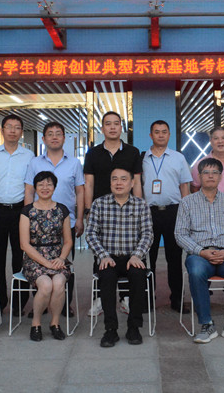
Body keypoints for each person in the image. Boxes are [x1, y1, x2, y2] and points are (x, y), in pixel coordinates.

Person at [176, 158, 224, 344]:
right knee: (196, 272)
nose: (210, 176)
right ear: (199, 176)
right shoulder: (187, 203)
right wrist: (201, 251)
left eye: (215, 173)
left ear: (220, 176)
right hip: (199, 255)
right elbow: (180, 234)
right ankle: (206, 325)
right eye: (206, 173)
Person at [85, 167, 153, 347]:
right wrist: (103, 256)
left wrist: (137, 255)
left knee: (138, 277)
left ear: (132, 183)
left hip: (133, 258)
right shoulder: (99, 204)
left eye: (123, 179)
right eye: (114, 179)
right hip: (109, 258)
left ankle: (134, 327)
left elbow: (147, 234)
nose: (119, 183)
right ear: (110, 183)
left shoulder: (141, 205)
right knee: (106, 278)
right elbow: (91, 234)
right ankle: (110, 329)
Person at [83, 111, 142, 316]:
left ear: (121, 127)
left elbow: (137, 182)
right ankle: (100, 298)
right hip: (102, 211)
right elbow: (89, 183)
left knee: (129, 252)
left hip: (128, 209)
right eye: (108, 124)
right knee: (100, 255)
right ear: (102, 128)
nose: (112, 127)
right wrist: (88, 210)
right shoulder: (93, 153)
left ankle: (126, 298)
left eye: (116, 123)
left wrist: (139, 207)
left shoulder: (132, 152)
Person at [24, 121, 84, 318]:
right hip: (38, 223)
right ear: (43, 139)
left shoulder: (74, 163)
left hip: (67, 221)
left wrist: (80, 218)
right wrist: (27, 216)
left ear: (64, 138)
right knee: (37, 264)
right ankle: (40, 304)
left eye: (58, 133)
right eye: (50, 134)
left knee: (64, 263)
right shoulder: (35, 162)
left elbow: (80, 191)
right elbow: (29, 190)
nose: (55, 137)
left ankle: (65, 304)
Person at [0, 114, 34, 316]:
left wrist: (28, 214)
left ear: (21, 132)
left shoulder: (29, 156)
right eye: (9, 127)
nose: (12, 130)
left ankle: (19, 303)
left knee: (20, 257)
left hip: (20, 210)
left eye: (17, 127)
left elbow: (30, 186)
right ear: (1, 130)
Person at [142, 120, 192, 314]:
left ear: (169, 135)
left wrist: (186, 214)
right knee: (148, 258)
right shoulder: (142, 158)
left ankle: (177, 299)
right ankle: (148, 298)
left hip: (174, 212)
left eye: (164, 132)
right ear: (150, 135)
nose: (161, 135)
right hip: (148, 213)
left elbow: (185, 187)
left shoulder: (178, 158)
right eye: (157, 132)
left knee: (174, 257)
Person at [20, 171, 73, 341]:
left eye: (49, 184)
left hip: (57, 257)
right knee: (45, 285)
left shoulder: (62, 210)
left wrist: (61, 258)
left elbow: (68, 241)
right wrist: (46, 263)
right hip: (34, 258)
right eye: (41, 184)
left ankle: (55, 323)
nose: (45, 187)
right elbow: (24, 245)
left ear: (54, 187)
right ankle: (36, 324)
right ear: (35, 188)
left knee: (58, 283)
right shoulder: (27, 211)